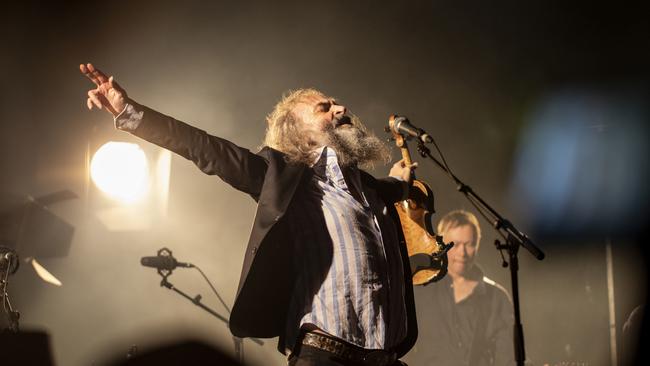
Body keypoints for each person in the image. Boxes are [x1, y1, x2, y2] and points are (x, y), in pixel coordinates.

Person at [80, 63, 419, 366]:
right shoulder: (283, 177)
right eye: (324, 107)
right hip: (326, 357)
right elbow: (206, 148)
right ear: (296, 129)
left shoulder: (369, 189)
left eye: (337, 104)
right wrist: (130, 112)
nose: (342, 109)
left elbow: (389, 187)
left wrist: (402, 186)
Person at [408, 210, 514, 366]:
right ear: (441, 244)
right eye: (455, 244)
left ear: (477, 244)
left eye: (469, 244)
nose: (462, 253)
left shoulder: (497, 298)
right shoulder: (420, 289)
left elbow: (507, 358)